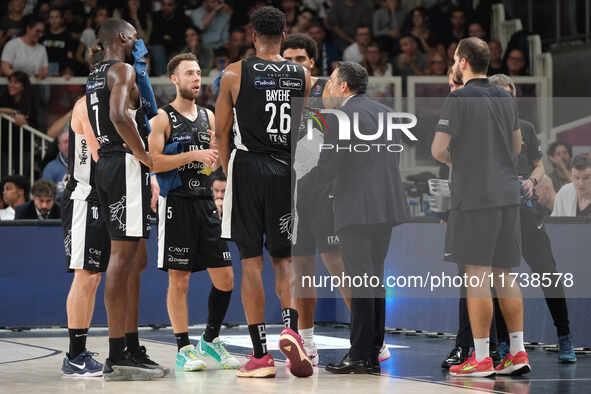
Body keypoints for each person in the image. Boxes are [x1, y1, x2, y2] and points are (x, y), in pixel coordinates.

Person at [215, 6, 313, 378]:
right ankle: (291, 329)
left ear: (252, 36)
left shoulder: (234, 74)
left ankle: (260, 356)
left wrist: (227, 171)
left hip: (248, 166)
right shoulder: (303, 76)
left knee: (250, 262)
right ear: (284, 36)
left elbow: (221, 131)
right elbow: (303, 128)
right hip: (285, 169)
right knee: (284, 261)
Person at [432, 37, 530, 377]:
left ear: (461, 61)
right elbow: (517, 146)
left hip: (475, 199)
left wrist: (466, 162)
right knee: (505, 274)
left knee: (477, 275)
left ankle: (483, 356)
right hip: (507, 197)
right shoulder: (506, 97)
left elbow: (438, 150)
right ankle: (517, 353)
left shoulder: (458, 98)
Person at [304, 62, 408, 374]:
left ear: (344, 87)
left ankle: (361, 354)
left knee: (361, 280)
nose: (326, 90)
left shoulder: (340, 117)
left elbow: (329, 165)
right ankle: (373, 348)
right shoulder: (384, 112)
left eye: (331, 83)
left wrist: (296, 184)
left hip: (357, 209)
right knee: (374, 279)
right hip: (386, 207)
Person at [149, 52, 239, 372]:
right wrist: (192, 157)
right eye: (189, 73)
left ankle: (210, 340)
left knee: (226, 277)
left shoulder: (209, 116)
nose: (196, 78)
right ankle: (183, 347)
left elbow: (211, 157)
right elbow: (153, 161)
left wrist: (210, 163)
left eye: (198, 73)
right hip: (176, 203)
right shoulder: (162, 118)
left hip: (204, 202)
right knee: (180, 280)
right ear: (174, 79)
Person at [86, 18, 164, 380]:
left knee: (136, 257)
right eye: (134, 36)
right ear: (122, 37)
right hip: (124, 163)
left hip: (109, 166)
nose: (139, 42)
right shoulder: (121, 69)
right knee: (122, 258)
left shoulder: (96, 73)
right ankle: (117, 351)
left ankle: (130, 343)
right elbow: (119, 115)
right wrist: (144, 154)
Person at [60, 96, 108, 377]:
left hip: (102, 198)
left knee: (94, 277)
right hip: (83, 197)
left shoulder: (114, 102)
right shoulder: (84, 104)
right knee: (85, 275)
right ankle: (74, 355)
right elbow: (99, 152)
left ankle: (79, 352)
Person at [41, 8, 76, 76]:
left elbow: (70, 57)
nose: (54, 20)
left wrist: (68, 71)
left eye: (57, 17)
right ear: (48, 20)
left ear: (62, 19)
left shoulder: (68, 37)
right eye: (51, 17)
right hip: (43, 71)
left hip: (62, 72)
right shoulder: (43, 36)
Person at [42, 129, 69, 199]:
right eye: (66, 142)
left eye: (72, 141)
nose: (69, 145)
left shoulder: (85, 164)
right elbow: (46, 193)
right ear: (59, 146)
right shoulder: (50, 168)